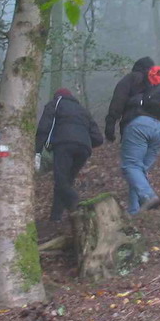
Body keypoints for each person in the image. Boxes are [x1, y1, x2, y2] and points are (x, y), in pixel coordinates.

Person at [104, 57, 160, 214]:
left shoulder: (132, 78)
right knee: (139, 172)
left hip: (139, 125)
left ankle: (148, 196)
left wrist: (110, 124)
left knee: (130, 166)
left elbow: (118, 100)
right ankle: (135, 211)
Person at [34, 88, 104, 222]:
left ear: (57, 96)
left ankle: (76, 203)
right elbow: (98, 138)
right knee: (65, 182)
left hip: (64, 145)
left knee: (61, 181)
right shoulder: (82, 110)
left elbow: (44, 127)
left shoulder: (55, 104)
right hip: (84, 150)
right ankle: (55, 217)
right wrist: (84, 142)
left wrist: (37, 151)